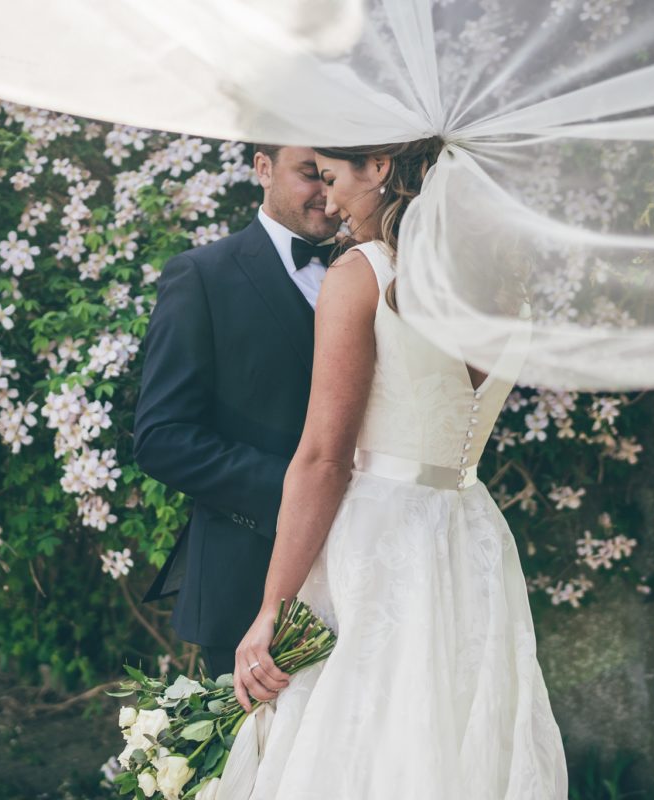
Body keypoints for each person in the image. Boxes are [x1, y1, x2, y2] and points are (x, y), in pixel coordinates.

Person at [222, 138, 568, 799]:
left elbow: (324, 458)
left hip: (377, 543)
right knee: (452, 728)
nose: (326, 197)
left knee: (362, 738)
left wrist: (273, 609)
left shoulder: (364, 275)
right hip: (470, 537)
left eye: (331, 177)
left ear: (381, 167)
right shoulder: (508, 290)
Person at [132, 145, 340, 679]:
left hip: (369, 571)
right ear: (263, 168)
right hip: (246, 578)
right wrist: (301, 489)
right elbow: (163, 437)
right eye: (311, 174)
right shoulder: (202, 276)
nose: (327, 190)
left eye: (335, 175)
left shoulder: (377, 269)